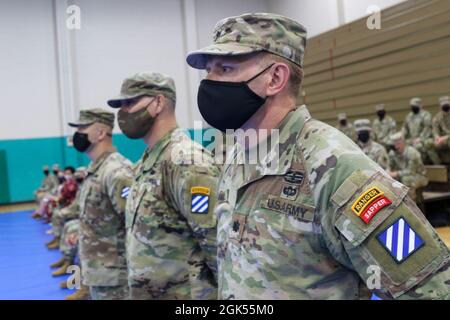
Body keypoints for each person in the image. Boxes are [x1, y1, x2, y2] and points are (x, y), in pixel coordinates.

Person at [186, 12, 450, 300]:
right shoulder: (237, 156)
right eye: (208, 71)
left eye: (224, 69)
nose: (208, 82)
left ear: (275, 78)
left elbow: (430, 288)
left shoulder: (336, 168)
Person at [107, 72, 220, 299]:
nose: (123, 112)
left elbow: (216, 244)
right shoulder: (148, 161)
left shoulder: (186, 161)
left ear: (158, 102)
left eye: (130, 102)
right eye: (121, 105)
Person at [68, 108, 133, 300]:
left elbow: (134, 223)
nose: (78, 134)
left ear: (101, 133)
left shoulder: (116, 172)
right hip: (99, 272)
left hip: (115, 276)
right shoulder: (96, 168)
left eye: (83, 128)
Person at [387, 132, 429, 202]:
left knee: (407, 180)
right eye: (394, 144)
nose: (396, 146)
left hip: (419, 176)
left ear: (403, 143)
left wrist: (396, 173)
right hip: (403, 175)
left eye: (398, 143)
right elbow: (390, 166)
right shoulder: (393, 153)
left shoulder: (412, 153)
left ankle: (411, 205)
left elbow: (411, 171)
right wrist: (388, 171)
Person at [402, 97, 440, 164]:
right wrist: (402, 138)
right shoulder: (409, 116)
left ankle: (436, 164)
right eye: (412, 106)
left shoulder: (426, 115)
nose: (413, 107)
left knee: (418, 146)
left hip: (424, 138)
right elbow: (405, 128)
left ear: (420, 105)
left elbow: (427, 128)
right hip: (412, 139)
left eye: (415, 106)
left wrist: (420, 139)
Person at [432, 96, 450, 163]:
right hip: (442, 140)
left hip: (447, 138)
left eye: (447, 104)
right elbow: (435, 130)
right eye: (443, 104)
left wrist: (445, 138)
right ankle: (439, 165)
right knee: (429, 144)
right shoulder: (437, 117)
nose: (445, 106)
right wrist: (437, 138)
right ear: (440, 106)